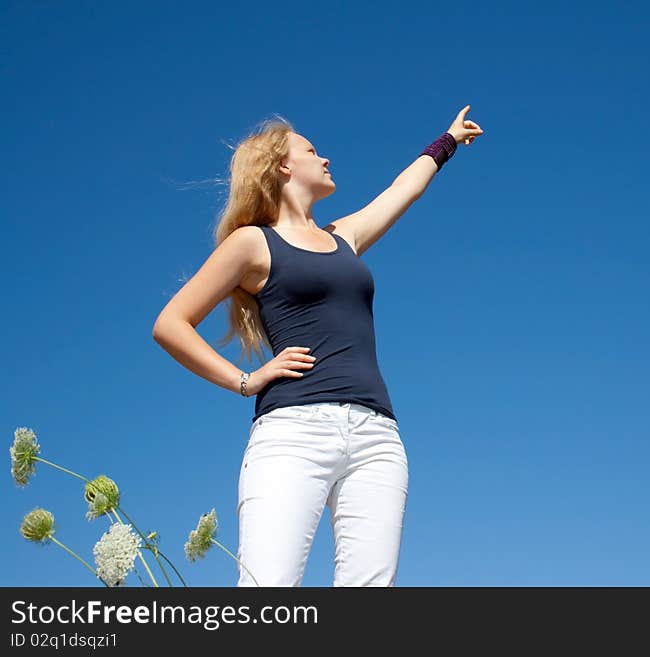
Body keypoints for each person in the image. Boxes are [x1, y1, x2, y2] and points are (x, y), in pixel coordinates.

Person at [152, 105, 484, 586]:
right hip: (294, 432)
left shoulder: (343, 237)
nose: (326, 158)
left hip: (377, 437)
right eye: (312, 150)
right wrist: (245, 380)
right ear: (283, 166)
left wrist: (447, 142)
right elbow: (171, 324)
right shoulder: (252, 244)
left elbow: (402, 190)